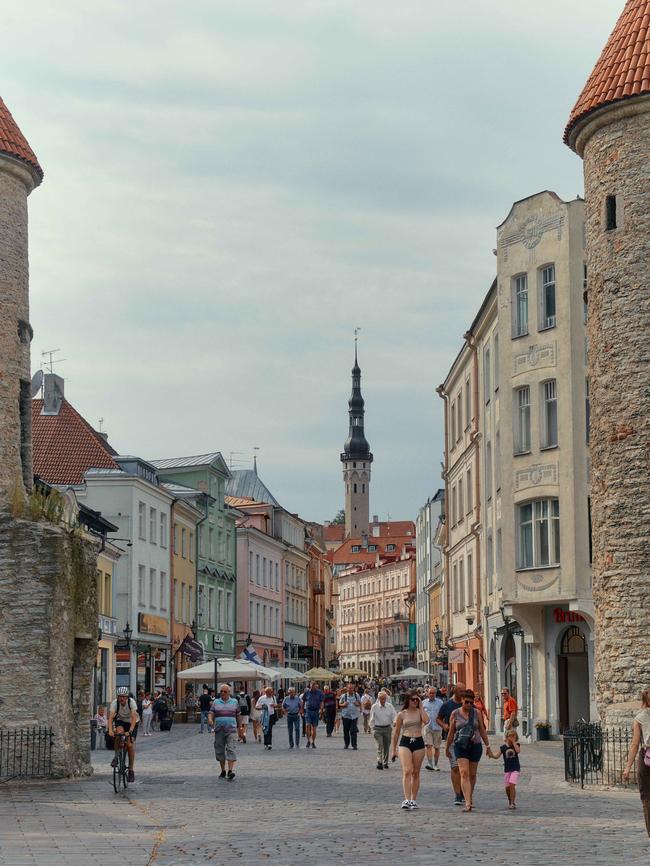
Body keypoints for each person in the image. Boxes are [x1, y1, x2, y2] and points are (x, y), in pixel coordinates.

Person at [446, 689, 491, 812]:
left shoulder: (476, 713)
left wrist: (488, 746)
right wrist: (447, 748)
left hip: (475, 745)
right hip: (460, 746)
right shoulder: (455, 714)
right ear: (461, 700)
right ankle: (467, 802)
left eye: (471, 703)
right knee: (464, 773)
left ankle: (469, 796)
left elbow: (482, 730)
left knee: (472, 774)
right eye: (467, 702)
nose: (469, 705)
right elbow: (451, 732)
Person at [391, 691, 429, 809]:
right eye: (413, 699)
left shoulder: (420, 712)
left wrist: (421, 706)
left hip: (418, 742)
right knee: (407, 770)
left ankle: (413, 799)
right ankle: (406, 799)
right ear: (408, 700)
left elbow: (426, 721)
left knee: (416, 772)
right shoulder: (402, 714)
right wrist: (393, 749)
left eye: (417, 699)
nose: (415, 701)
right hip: (405, 742)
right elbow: (396, 733)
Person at [622, 688, 650, 836]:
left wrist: (627, 768)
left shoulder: (639, 717)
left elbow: (634, 744)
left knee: (646, 796)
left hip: (646, 757)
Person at [437, 682, 465, 806]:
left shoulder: (467, 704)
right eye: (461, 691)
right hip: (452, 739)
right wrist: (444, 726)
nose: (463, 693)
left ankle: (464, 791)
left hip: (465, 740)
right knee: (455, 767)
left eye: (464, 691)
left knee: (464, 769)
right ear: (455, 691)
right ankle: (458, 794)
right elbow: (438, 718)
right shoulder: (447, 705)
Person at [208, 684, 241, 780]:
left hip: (231, 730)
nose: (222, 693)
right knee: (220, 750)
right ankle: (223, 770)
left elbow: (238, 715)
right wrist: (210, 719)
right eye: (221, 691)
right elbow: (211, 713)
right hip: (219, 730)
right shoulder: (216, 702)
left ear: (229, 693)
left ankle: (230, 770)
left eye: (224, 691)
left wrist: (241, 728)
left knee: (231, 749)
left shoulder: (234, 702)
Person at [108, 686, 139, 782]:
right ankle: (116, 756)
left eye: (124, 696)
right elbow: (110, 718)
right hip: (121, 721)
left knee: (129, 744)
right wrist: (110, 730)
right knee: (119, 733)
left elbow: (134, 718)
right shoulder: (115, 703)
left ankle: (131, 770)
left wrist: (130, 731)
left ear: (127, 697)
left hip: (132, 723)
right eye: (120, 696)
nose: (121, 698)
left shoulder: (132, 703)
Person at [488, 729, 521, 809]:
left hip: (515, 768)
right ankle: (510, 799)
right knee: (507, 787)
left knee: (512, 784)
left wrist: (513, 742)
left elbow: (518, 751)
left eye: (513, 736)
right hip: (507, 769)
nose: (512, 737)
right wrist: (491, 754)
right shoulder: (503, 747)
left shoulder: (516, 745)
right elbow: (496, 756)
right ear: (507, 737)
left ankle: (512, 803)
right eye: (510, 736)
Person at [370, 690, 396, 769]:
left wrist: (394, 721)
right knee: (380, 745)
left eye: (384, 699)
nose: (383, 701)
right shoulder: (374, 707)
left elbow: (394, 715)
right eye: (381, 699)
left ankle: (385, 762)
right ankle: (379, 762)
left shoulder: (390, 706)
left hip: (387, 728)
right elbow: (371, 718)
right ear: (378, 699)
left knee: (386, 746)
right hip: (377, 729)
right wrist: (372, 729)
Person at [422, 687, 444, 771]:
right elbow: (421, 714)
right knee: (428, 746)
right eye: (430, 693)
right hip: (428, 727)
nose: (431, 695)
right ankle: (430, 763)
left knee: (437, 747)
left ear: (435, 694)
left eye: (433, 693)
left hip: (438, 727)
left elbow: (443, 714)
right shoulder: (423, 703)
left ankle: (436, 764)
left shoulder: (440, 702)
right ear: (427, 693)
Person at [339, 683, 361, 750]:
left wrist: (357, 704)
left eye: (351, 688)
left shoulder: (356, 695)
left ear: (353, 688)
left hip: (354, 716)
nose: (350, 689)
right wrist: (344, 704)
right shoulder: (344, 696)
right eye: (349, 688)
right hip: (346, 716)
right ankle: (346, 744)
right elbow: (339, 704)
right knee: (346, 731)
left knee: (353, 730)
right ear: (347, 688)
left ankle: (354, 745)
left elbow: (359, 703)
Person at [303, 681, 324, 748]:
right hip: (308, 711)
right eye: (311, 686)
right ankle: (308, 740)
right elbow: (303, 701)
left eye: (313, 686)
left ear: (316, 686)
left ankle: (313, 742)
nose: (312, 688)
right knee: (307, 725)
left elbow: (322, 702)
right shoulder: (307, 692)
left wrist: (321, 709)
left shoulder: (319, 692)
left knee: (314, 728)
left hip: (316, 711)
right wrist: (302, 710)